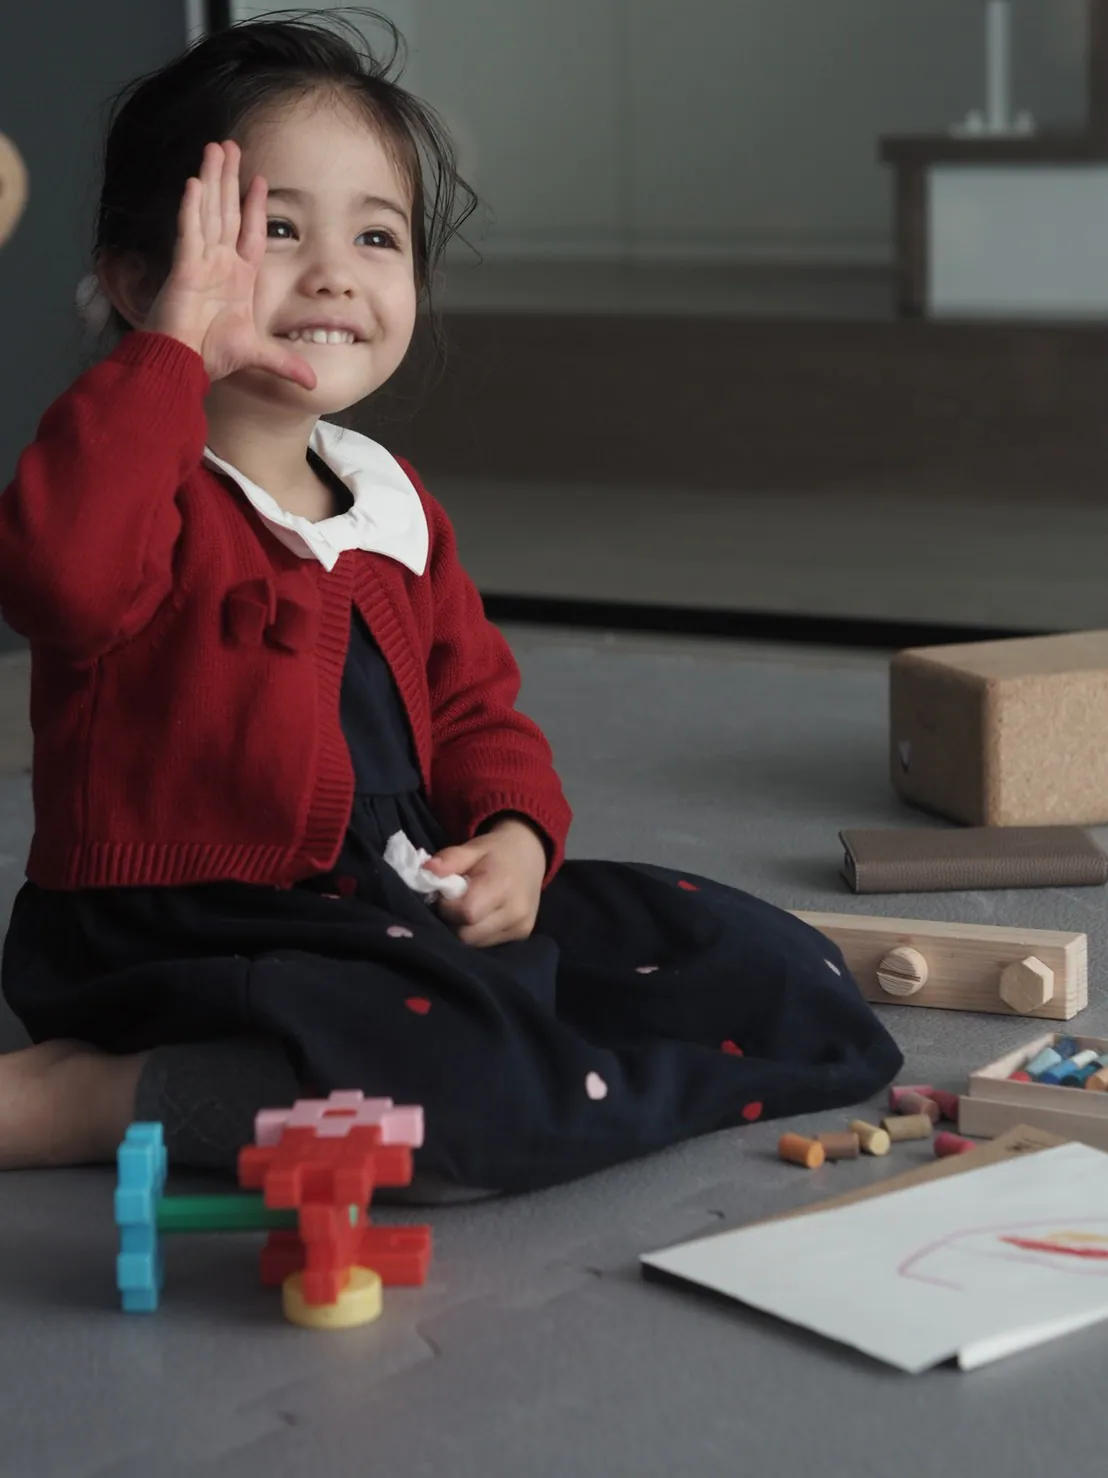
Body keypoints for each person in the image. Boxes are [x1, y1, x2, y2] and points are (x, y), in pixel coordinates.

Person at [0, 15, 901, 1197]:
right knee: (464, 1075)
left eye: (376, 236)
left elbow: (476, 710)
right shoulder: (132, 478)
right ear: (136, 278)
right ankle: (94, 1095)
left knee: (764, 962)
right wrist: (169, 351)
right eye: (275, 230)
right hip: (183, 930)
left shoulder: (390, 502)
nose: (334, 271)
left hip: (390, 899)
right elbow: (60, 578)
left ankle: (483, 1050)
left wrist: (515, 839)